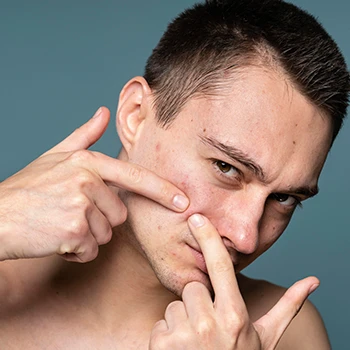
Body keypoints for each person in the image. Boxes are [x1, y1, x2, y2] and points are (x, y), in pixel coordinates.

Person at [0, 0, 348, 348]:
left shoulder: (282, 333)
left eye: (284, 198)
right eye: (226, 167)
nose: (246, 237)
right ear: (135, 115)